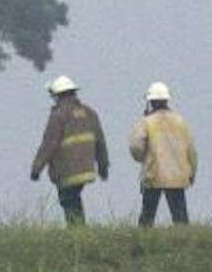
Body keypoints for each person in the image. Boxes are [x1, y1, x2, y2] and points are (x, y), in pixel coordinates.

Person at [28, 75, 109, 226]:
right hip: (86, 168)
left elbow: (48, 145)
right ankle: (78, 232)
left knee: (69, 201)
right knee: (73, 199)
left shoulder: (58, 115)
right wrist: (103, 166)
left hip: (66, 170)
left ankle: (77, 233)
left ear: (57, 95)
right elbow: (100, 142)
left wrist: (36, 169)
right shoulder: (89, 113)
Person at [128, 81, 197, 226]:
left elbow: (136, 147)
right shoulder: (180, 121)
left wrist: (141, 158)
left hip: (154, 174)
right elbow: (191, 150)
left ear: (150, 102)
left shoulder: (147, 122)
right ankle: (185, 241)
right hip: (178, 175)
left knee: (147, 215)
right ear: (167, 100)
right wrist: (191, 172)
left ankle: (144, 241)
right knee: (180, 216)